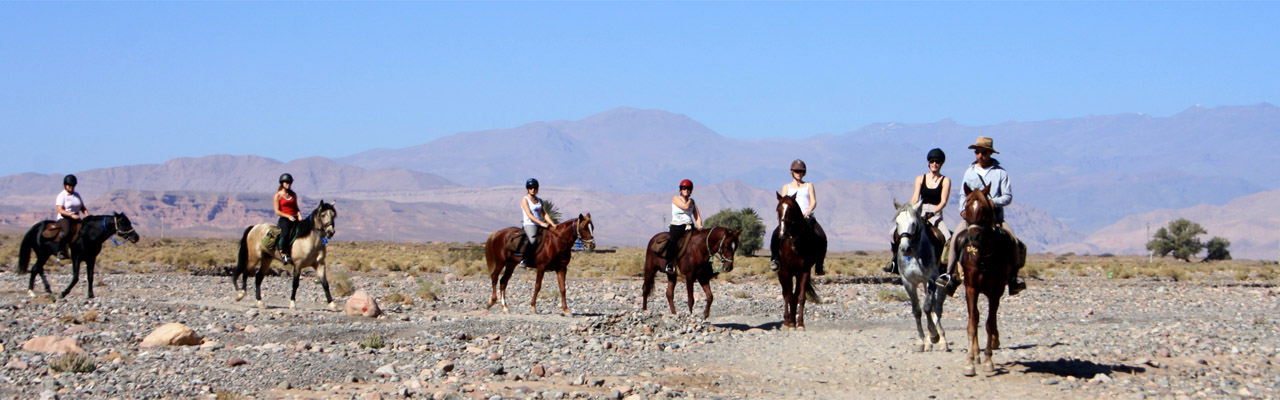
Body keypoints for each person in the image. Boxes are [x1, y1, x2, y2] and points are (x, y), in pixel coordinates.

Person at [941, 137, 1026, 295]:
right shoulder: (969, 172)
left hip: (996, 219)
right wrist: (962, 210)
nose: (980, 155)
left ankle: (1014, 278)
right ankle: (950, 275)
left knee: (1013, 240)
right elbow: (962, 195)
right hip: (972, 220)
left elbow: (1008, 196)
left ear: (990, 153)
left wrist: (993, 203)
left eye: (984, 152)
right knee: (953, 241)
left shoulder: (1000, 173)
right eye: (977, 152)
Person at [884, 148, 952, 274]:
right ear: (928, 162)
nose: (934, 164)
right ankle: (895, 261)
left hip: (935, 213)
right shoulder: (920, 178)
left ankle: (943, 266)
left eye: (937, 161)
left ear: (941, 163)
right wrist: (908, 208)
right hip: (919, 209)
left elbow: (943, 202)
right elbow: (915, 197)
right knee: (893, 232)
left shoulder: (945, 181)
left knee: (947, 238)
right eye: (932, 161)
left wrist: (933, 212)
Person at [770, 159, 827, 275]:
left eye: (801, 171)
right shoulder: (786, 187)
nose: (798, 173)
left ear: (804, 172)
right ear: (792, 172)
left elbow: (813, 201)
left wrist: (808, 210)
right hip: (790, 219)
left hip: (806, 217)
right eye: (796, 171)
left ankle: (819, 265)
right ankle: (775, 259)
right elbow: (783, 202)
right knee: (776, 234)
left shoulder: (809, 185)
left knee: (821, 235)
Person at [663, 179, 702, 273]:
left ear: (691, 190)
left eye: (688, 188)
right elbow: (685, 207)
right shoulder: (676, 198)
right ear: (680, 189)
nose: (686, 190)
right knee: (673, 242)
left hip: (689, 226)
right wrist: (690, 201)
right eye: (684, 188)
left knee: (701, 242)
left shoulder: (692, 202)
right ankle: (669, 264)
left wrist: (700, 226)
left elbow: (697, 216)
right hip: (677, 226)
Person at [518, 178, 555, 269]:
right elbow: (529, 215)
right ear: (527, 188)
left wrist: (553, 224)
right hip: (530, 224)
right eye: (530, 188)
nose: (533, 189)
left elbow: (545, 214)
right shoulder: (525, 200)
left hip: (540, 224)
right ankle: (524, 259)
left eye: (535, 187)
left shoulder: (539, 200)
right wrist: (541, 223)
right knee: (533, 240)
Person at [54, 174, 88, 259]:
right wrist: (71, 215)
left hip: (76, 217)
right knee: (66, 233)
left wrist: (88, 216)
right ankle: (60, 251)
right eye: (69, 185)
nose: (71, 187)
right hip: (64, 217)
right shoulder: (62, 195)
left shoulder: (77, 195)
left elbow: (83, 208)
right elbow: (59, 209)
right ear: (65, 185)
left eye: (73, 185)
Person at [275, 173, 301, 265]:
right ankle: (284, 253)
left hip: (295, 218)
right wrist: (288, 216)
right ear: (282, 183)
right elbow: (277, 211)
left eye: (289, 182)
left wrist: (299, 214)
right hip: (284, 219)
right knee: (285, 233)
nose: (288, 184)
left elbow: (296, 207)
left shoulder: (293, 194)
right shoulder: (278, 195)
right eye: (286, 182)